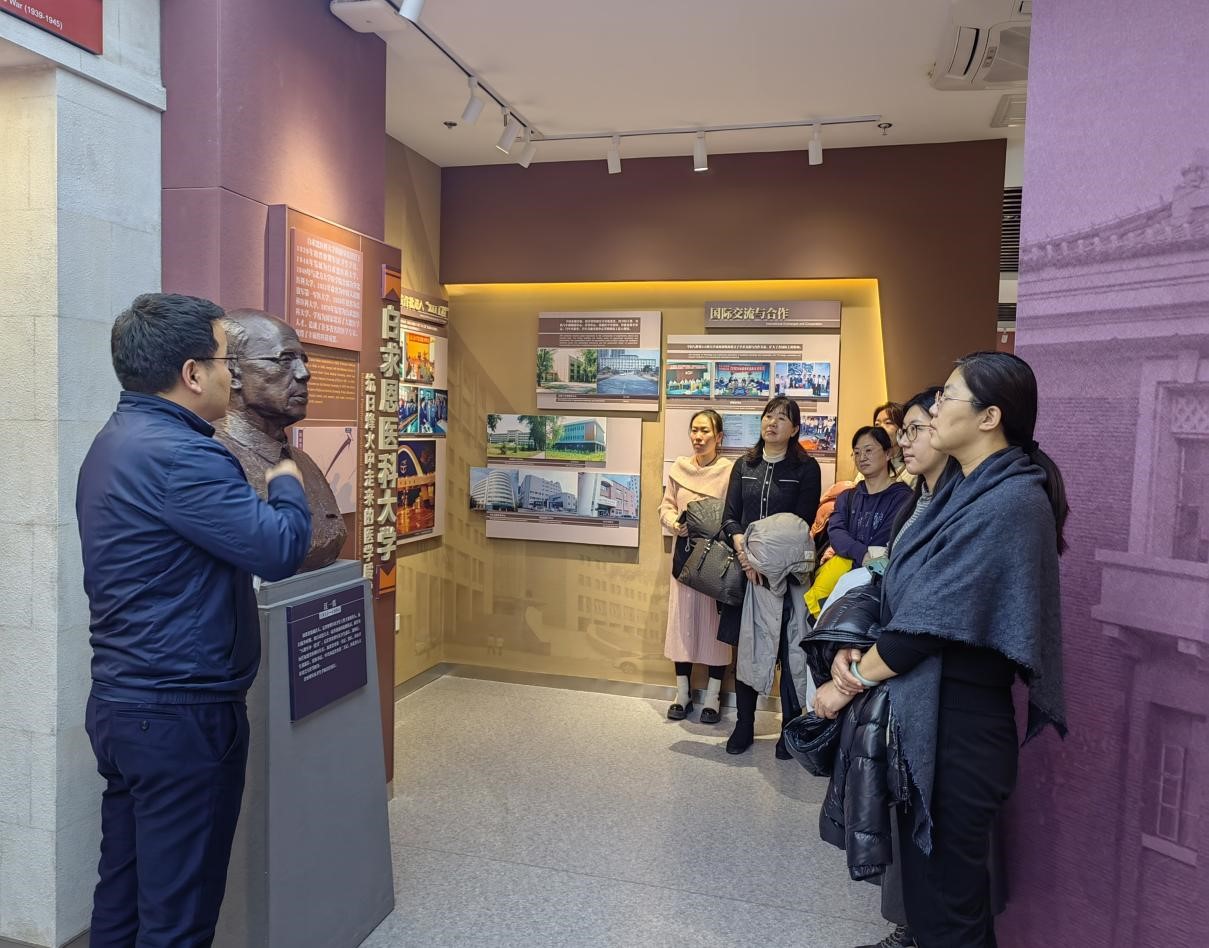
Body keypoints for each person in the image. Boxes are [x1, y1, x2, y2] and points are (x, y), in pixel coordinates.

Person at [77, 293, 313, 947]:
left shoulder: (116, 439)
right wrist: (286, 479)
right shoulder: (184, 456)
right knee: (179, 915)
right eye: (224, 362)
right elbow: (279, 549)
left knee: (124, 895)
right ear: (192, 373)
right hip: (180, 713)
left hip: (126, 703)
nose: (232, 378)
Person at [815, 353, 1068, 947]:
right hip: (928, 713)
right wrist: (856, 646)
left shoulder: (1009, 501)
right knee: (934, 907)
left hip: (959, 726)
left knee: (950, 915)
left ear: (989, 417)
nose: (931, 415)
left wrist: (849, 681)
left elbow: (928, 623)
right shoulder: (961, 494)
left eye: (948, 398)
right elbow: (901, 593)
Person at [719, 395, 821, 756]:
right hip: (747, 574)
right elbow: (729, 517)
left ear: (794, 429)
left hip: (787, 577)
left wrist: (763, 562)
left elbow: (800, 525)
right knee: (747, 648)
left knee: (788, 650)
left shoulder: (806, 469)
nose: (772, 422)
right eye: (768, 415)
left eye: (782, 418)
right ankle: (744, 724)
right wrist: (745, 556)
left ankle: (789, 728)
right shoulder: (744, 465)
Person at [659, 410, 735, 723]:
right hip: (684, 557)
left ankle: (713, 697)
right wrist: (673, 523)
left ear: (719, 437)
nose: (698, 437)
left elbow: (733, 514)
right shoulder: (679, 468)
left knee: (715, 627)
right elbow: (666, 506)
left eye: (705, 431)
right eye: (694, 430)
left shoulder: (729, 472)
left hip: (716, 560)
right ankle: (683, 694)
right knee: (682, 623)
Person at [806, 426, 913, 616]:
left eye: (869, 450)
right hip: (843, 579)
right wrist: (862, 554)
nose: (862, 457)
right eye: (857, 452)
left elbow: (885, 538)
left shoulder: (903, 498)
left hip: (876, 586)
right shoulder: (847, 497)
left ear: (888, 453)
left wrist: (854, 553)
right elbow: (836, 533)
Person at [872, 400, 913, 485]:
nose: (880, 428)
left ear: (902, 428)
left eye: (888, 423)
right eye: (877, 424)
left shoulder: (913, 466)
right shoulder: (872, 462)